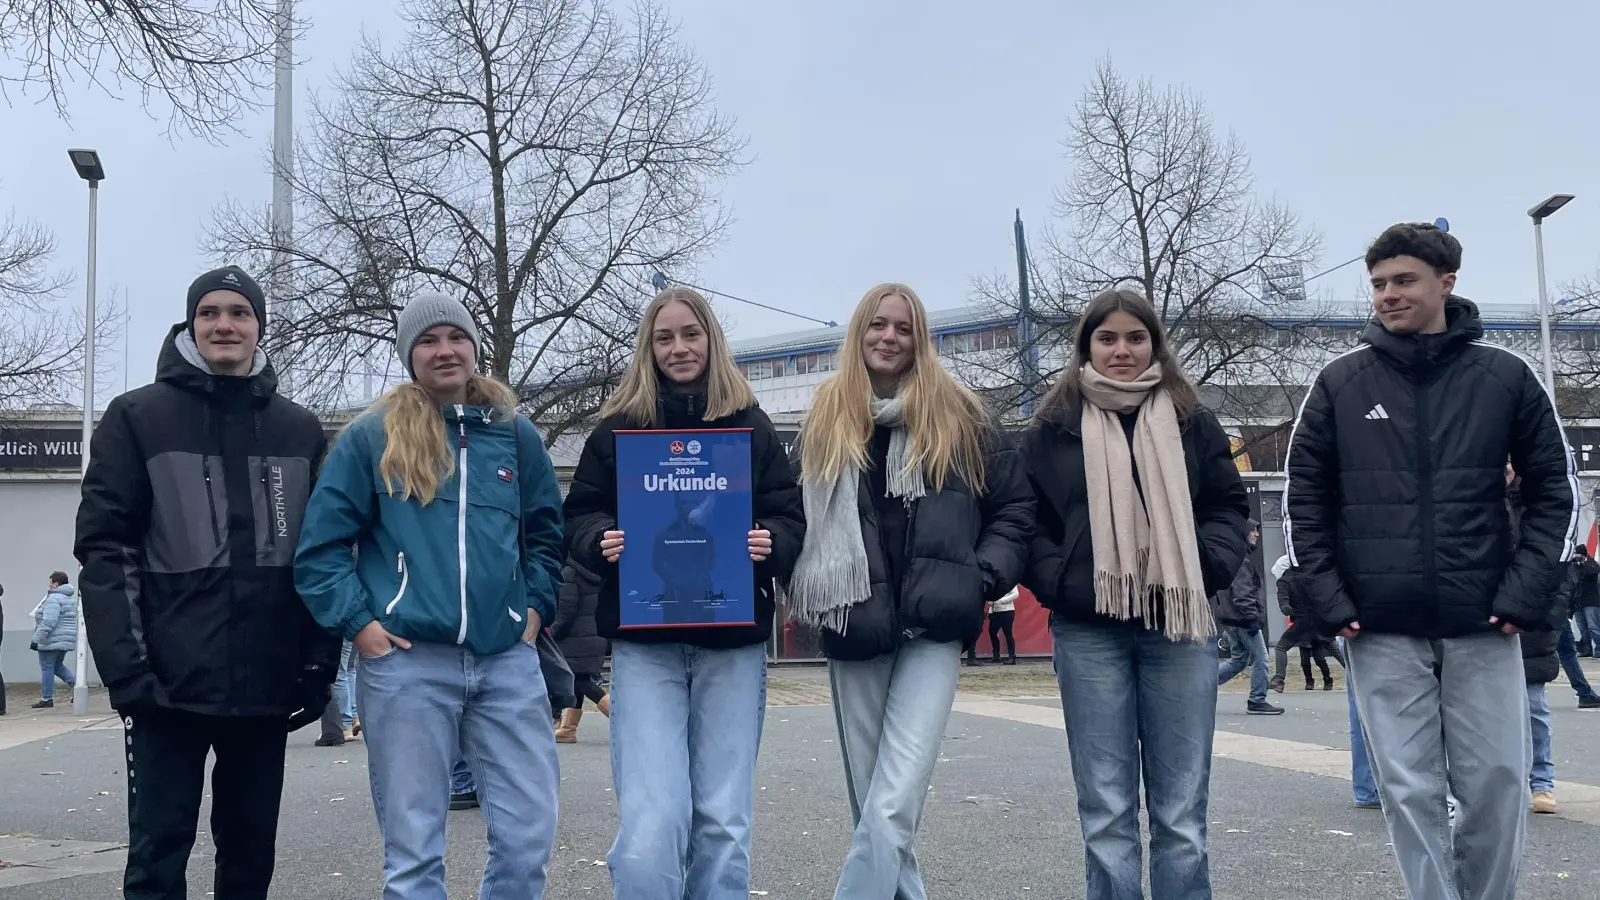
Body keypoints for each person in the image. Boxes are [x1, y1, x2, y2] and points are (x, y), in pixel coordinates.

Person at [1284, 223, 1578, 900]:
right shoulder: (1339, 383)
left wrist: (1528, 592)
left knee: (1499, 785)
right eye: (1379, 283)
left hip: (1487, 621)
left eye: (1404, 280)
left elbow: (1556, 490)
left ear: (1446, 282)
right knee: (1408, 789)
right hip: (1379, 626)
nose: (1388, 295)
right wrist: (1328, 598)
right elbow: (1305, 499)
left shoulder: (1505, 376)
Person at [74, 265, 338, 900]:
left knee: (250, 855)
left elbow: (323, 553)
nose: (225, 324)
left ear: (258, 326)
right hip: (166, 685)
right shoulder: (137, 417)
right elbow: (105, 549)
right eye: (211, 312)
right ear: (192, 323)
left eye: (239, 313)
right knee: (158, 855)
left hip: (266, 681)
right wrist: (127, 672)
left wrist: (317, 662)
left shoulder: (299, 429)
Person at [295, 291, 566, 900]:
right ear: (409, 355)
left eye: (455, 337)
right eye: (428, 340)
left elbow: (547, 532)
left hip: (506, 659)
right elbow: (321, 549)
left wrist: (536, 607)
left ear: (474, 347)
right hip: (407, 663)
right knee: (413, 853)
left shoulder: (516, 436)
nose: (445, 350)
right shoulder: (371, 439)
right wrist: (361, 626)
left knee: (528, 837)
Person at [786, 282, 1032, 900]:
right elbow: (792, 518)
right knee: (877, 808)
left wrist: (980, 577)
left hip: (935, 630)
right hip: (855, 623)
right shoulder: (823, 421)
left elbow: (1014, 510)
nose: (888, 337)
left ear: (920, 338)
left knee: (892, 804)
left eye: (902, 327)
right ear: (857, 335)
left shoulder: (964, 417)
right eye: (877, 325)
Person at [563, 286, 805, 900]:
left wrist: (768, 540)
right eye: (664, 337)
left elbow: (788, 515)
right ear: (648, 347)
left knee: (723, 820)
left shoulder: (749, 425)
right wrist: (600, 539)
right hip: (647, 646)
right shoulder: (617, 429)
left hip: (731, 643)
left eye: (690, 334)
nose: (678, 348)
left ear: (711, 340)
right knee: (653, 819)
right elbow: (580, 513)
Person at [1023, 287, 1249, 900]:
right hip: (1087, 626)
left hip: (1178, 625)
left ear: (1154, 343)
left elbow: (1228, 508)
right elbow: (1029, 521)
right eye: (1107, 338)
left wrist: (1201, 567)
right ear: (1085, 346)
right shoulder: (1052, 428)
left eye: (1135, 337)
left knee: (1180, 812)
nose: (1121, 350)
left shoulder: (1191, 420)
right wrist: (1061, 582)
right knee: (1106, 811)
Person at [1213, 520, 1281, 715]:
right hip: (1242, 620)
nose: (1256, 534)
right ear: (1243, 534)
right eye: (1252, 531)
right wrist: (1252, 619)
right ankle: (1257, 700)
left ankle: (1204, 687)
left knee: (1239, 660)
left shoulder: (1234, 558)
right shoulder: (1241, 561)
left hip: (1232, 619)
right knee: (1261, 658)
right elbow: (1242, 595)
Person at [551, 559, 610, 743]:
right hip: (594, 635)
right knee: (577, 679)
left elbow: (566, 610)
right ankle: (568, 729)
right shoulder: (596, 571)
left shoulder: (569, 574)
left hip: (574, 638)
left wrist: (552, 632)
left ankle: (623, 718)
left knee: (582, 682)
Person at [29, 571, 79, 709]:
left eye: (50, 583)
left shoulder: (53, 599)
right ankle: (77, 686)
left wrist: (36, 639)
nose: (49, 585)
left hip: (50, 640)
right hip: (63, 639)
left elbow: (48, 622)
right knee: (57, 666)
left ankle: (46, 698)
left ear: (56, 584)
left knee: (47, 668)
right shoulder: (69, 599)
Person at [1570, 546, 1599, 656]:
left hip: (1591, 601)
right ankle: (1586, 649)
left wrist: (1583, 561)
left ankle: (1599, 649)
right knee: (1583, 628)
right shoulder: (1574, 566)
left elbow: (1593, 571)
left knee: (1593, 626)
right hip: (1578, 602)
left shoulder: (1591, 564)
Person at [989, 586, 1019, 665]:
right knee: (992, 632)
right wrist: (990, 604)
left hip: (1007, 611)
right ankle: (996, 656)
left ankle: (1012, 657)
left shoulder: (1010, 582)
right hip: (995, 611)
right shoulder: (993, 582)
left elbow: (1016, 594)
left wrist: (1001, 601)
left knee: (1007, 633)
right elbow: (990, 596)